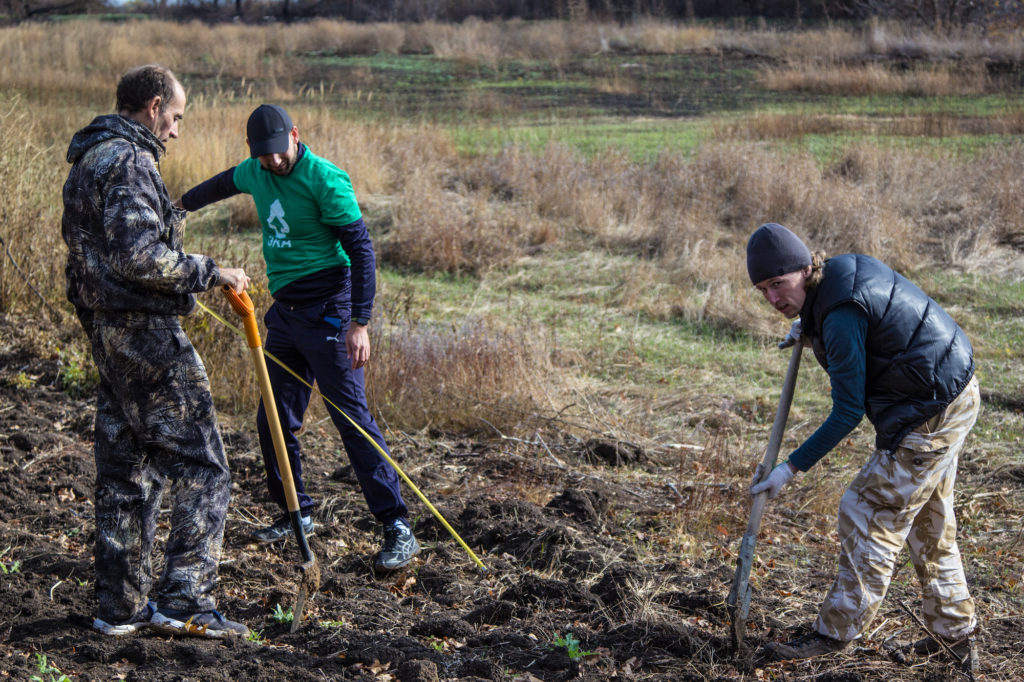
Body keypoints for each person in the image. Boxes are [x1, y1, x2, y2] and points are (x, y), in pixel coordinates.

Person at [176, 104, 419, 573]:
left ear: (295, 135)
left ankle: (397, 527)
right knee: (272, 416)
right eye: (264, 156)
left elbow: (362, 252)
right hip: (284, 316)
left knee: (351, 419)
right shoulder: (255, 170)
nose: (274, 162)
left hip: (330, 312)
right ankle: (296, 514)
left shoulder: (325, 179)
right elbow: (220, 185)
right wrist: (179, 206)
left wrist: (360, 323)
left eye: (279, 152)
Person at [61, 64, 252, 639]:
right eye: (176, 117)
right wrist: (211, 271)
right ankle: (185, 599)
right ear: (152, 106)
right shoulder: (129, 160)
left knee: (127, 470)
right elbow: (140, 257)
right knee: (203, 463)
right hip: (143, 333)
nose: (176, 130)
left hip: (105, 332)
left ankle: (118, 608)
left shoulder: (88, 159)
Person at [746, 223, 979, 672]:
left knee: (866, 509)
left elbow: (847, 410)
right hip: (953, 390)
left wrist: (789, 469)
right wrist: (807, 325)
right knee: (928, 521)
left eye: (779, 284)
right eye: (763, 290)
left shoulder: (839, 313)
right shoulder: (838, 276)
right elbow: (862, 316)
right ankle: (955, 638)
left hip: (928, 409)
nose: (773, 298)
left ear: (805, 267)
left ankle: (833, 634)